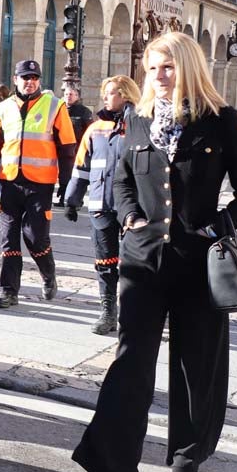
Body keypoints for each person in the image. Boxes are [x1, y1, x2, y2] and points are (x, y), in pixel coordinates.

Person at [73, 31, 237, 472]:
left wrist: (221, 223)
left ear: (188, 66)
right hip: (143, 262)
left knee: (198, 363)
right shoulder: (138, 119)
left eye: (167, 67)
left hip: (199, 265)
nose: (158, 77)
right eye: (151, 68)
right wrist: (129, 216)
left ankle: (189, 453)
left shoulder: (221, 121)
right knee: (130, 363)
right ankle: (115, 469)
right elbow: (124, 178)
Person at [0, 60, 77, 308]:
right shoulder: (2, 108)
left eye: (34, 77)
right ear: (15, 79)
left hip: (39, 184)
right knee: (9, 239)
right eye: (25, 77)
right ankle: (9, 291)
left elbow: (67, 149)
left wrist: (67, 186)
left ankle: (47, 273)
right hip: (9, 181)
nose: (30, 81)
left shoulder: (55, 106)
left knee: (35, 238)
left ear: (39, 80)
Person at [63, 75, 142, 335]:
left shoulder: (140, 125)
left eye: (110, 93)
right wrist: (72, 200)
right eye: (105, 93)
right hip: (100, 203)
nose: (105, 98)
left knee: (134, 264)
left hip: (134, 207)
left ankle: (135, 312)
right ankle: (108, 312)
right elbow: (82, 166)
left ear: (125, 95)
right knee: (105, 260)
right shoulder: (95, 128)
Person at [59, 84, 95, 204]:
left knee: (77, 174)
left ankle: (76, 200)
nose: (68, 97)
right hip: (62, 147)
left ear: (77, 96)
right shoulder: (60, 109)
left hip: (78, 149)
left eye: (71, 94)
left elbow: (90, 129)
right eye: (66, 94)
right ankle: (63, 196)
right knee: (64, 173)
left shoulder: (83, 111)